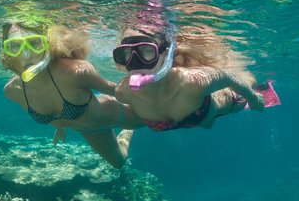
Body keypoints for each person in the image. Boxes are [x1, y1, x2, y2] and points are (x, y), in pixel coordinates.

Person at [1, 21, 144, 168]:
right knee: (119, 163)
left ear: (47, 45)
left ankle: (129, 129)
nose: (26, 54)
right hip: (89, 130)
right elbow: (54, 108)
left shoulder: (75, 72)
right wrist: (60, 126)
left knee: (150, 119)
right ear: (7, 51)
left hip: (112, 113)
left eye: (34, 43)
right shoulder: (13, 91)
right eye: (15, 45)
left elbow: (115, 90)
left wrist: (149, 100)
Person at [113, 23, 278, 131]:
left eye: (146, 51)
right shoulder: (123, 93)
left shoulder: (193, 82)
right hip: (197, 117)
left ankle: (256, 85)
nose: (135, 62)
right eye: (125, 54)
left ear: (166, 53)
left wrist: (253, 98)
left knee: (246, 83)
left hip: (221, 102)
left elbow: (229, 77)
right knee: (206, 123)